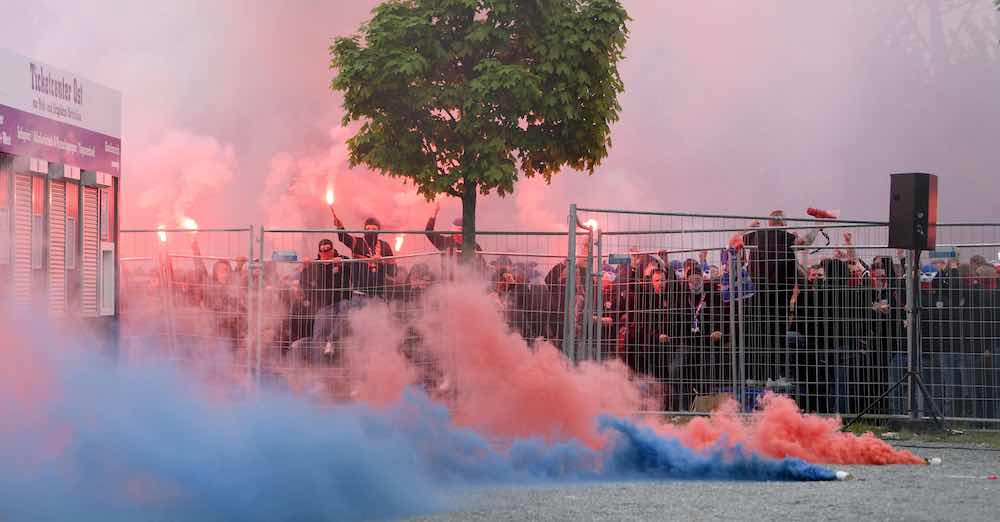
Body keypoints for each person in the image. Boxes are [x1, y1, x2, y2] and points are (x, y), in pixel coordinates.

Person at [330, 206, 396, 297]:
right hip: (359, 293)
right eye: (368, 229)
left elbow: (393, 270)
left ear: (379, 231)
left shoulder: (385, 246)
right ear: (364, 230)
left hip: (379, 293)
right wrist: (340, 227)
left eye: (374, 229)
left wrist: (382, 261)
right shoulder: (358, 242)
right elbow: (344, 237)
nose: (370, 231)